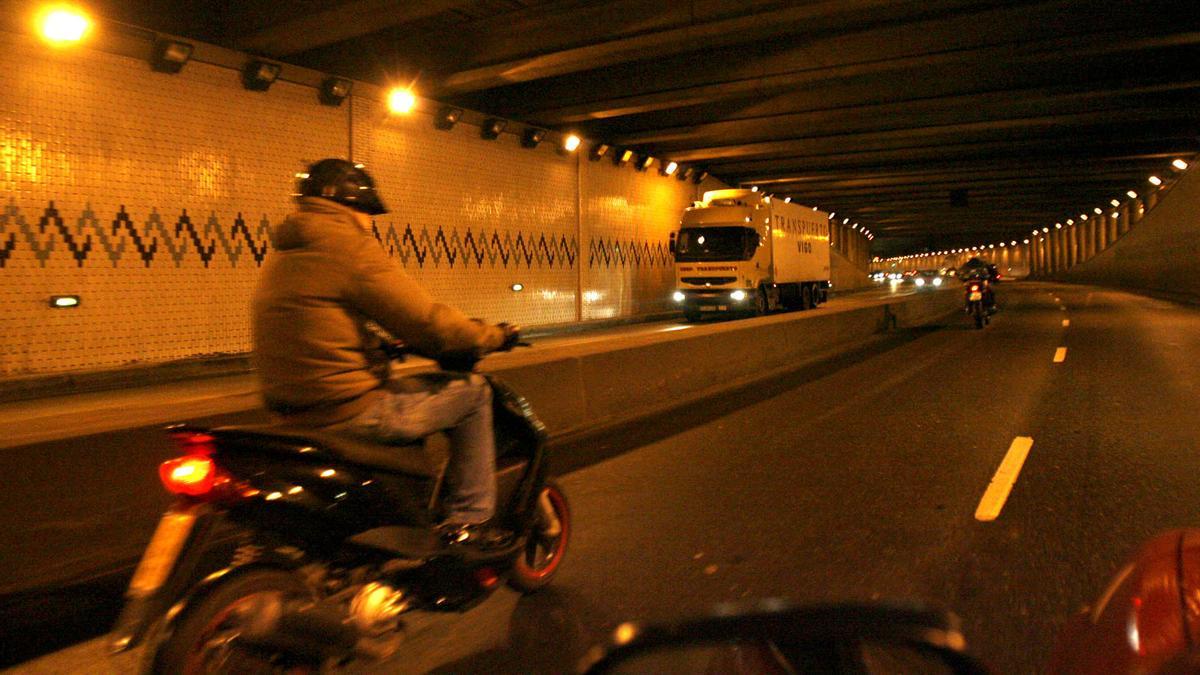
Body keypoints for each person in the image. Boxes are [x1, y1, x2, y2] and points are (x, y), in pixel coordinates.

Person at [251, 158, 520, 548]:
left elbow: (316, 326)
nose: (372, 223)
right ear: (354, 207)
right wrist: (493, 335)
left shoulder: (285, 252)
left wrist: (378, 347)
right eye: (370, 214)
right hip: (348, 409)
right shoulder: (349, 246)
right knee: (474, 393)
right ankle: (471, 519)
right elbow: (430, 325)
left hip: (290, 411)